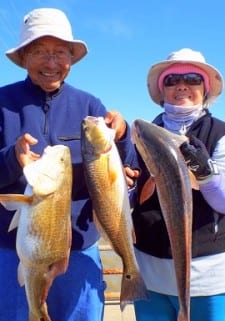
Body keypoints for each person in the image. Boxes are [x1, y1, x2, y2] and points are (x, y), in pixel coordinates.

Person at [0, 8, 139, 321]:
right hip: (13, 253)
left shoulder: (89, 105)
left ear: (71, 58)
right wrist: (12, 157)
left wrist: (122, 135)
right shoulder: (2, 103)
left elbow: (126, 169)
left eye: (60, 52)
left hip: (80, 250)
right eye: (39, 52)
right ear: (23, 56)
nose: (51, 63)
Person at [132, 48, 225, 321]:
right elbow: (132, 199)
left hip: (207, 277)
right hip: (150, 275)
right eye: (172, 80)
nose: (182, 85)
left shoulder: (220, 134)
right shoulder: (143, 134)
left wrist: (206, 173)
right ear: (162, 91)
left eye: (193, 79)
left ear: (205, 89)